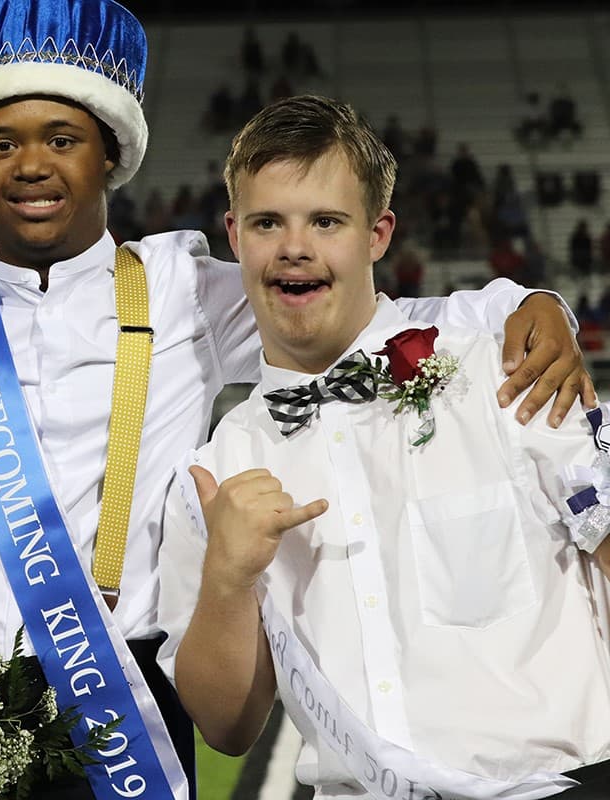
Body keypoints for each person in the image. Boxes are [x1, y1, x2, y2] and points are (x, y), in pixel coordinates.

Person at [0, 2, 590, 798]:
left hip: (130, 705)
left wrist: (529, 303)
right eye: (0, 144)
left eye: (62, 140)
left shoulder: (181, 287)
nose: (30, 166)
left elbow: (368, 319)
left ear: (110, 154)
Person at [157, 95, 610, 799]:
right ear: (234, 236)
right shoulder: (218, 467)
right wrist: (228, 579)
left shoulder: (508, 372)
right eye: (267, 222)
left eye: (327, 222)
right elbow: (227, 727)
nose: (294, 246)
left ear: (378, 234)